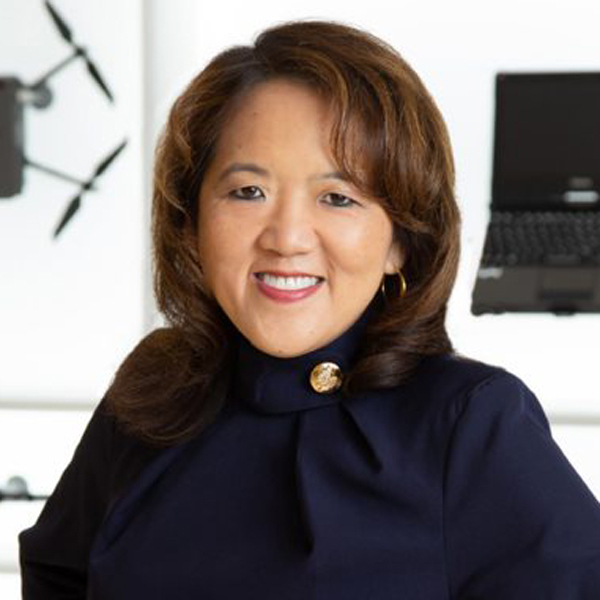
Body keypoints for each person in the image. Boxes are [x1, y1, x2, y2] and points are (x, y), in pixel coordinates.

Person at [19, 19, 600, 599]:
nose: (288, 238)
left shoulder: (470, 422)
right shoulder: (154, 389)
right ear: (191, 224)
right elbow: (57, 576)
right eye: (248, 192)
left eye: (338, 198)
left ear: (401, 242)